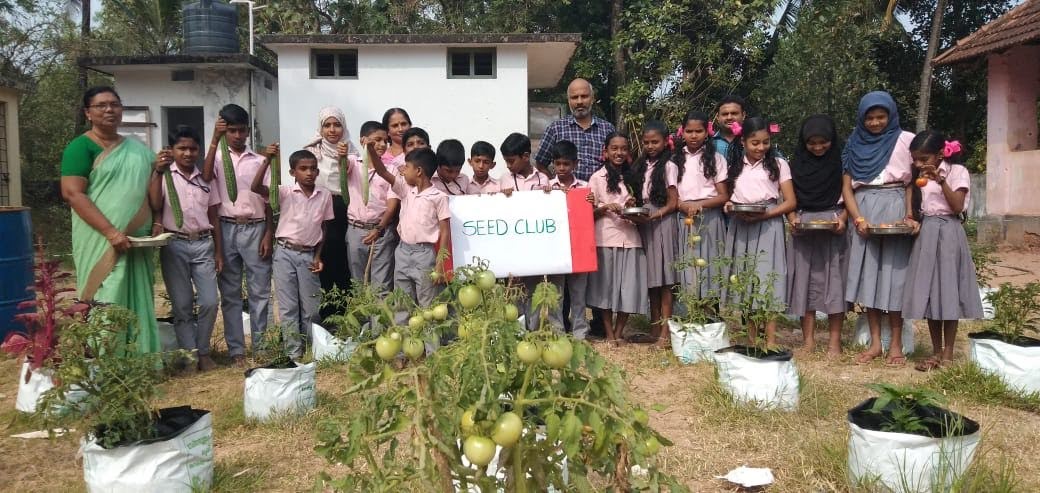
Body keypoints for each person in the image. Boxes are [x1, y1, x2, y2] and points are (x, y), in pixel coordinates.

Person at [61, 86, 160, 354]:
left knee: (137, 295)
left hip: (136, 242)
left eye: (115, 104)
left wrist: (157, 221)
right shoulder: (80, 147)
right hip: (100, 239)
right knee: (106, 295)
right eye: (101, 105)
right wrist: (111, 232)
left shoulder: (138, 150)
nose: (109, 110)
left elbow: (153, 191)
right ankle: (103, 359)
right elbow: (72, 193)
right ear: (88, 113)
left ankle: (139, 359)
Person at [842, 91, 917, 366]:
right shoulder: (853, 143)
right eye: (869, 118)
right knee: (869, 278)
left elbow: (912, 184)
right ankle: (875, 343)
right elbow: (847, 188)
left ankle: (895, 344)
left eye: (880, 116)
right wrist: (858, 219)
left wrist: (909, 215)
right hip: (864, 210)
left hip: (896, 207)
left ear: (891, 115)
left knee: (895, 279)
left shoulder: (906, 140)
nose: (875, 122)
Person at [902, 131, 983, 371]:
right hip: (927, 232)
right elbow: (915, 204)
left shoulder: (958, 172)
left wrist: (940, 180)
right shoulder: (918, 177)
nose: (919, 164)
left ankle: (948, 354)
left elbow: (957, 206)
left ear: (939, 155)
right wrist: (911, 218)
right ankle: (935, 351)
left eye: (923, 158)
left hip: (949, 232)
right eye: (915, 159)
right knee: (930, 293)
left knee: (948, 291)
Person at [202, 103, 273, 366]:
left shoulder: (259, 160)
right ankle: (236, 350)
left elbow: (269, 200)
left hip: (256, 227)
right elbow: (206, 177)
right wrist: (214, 139)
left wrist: (268, 233)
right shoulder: (218, 158)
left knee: (260, 291)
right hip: (226, 227)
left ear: (248, 131)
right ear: (225, 131)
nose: (237, 135)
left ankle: (261, 346)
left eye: (241, 130)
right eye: (231, 131)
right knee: (230, 293)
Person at [148, 126, 223, 371]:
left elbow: (214, 216)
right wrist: (157, 172)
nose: (188, 153)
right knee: (182, 305)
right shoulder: (165, 176)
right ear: (172, 150)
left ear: (198, 150)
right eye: (182, 148)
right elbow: (155, 203)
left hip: (203, 243)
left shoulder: (205, 179)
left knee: (210, 301)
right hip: (175, 244)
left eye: (192, 148)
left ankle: (203, 351)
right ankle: (190, 356)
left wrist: (218, 251)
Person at [251, 148, 335, 360]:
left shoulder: (324, 195)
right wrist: (268, 160)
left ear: (318, 172)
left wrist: (318, 255)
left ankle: (312, 347)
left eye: (313, 169)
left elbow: (324, 227)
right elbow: (256, 187)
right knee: (288, 306)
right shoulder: (284, 192)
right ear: (292, 172)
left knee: (311, 306)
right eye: (303, 169)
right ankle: (293, 351)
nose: (309, 173)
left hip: (308, 255)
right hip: (285, 253)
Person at [723, 117, 797, 347]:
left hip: (768, 226)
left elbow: (790, 201)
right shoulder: (734, 166)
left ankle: (771, 340)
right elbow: (729, 199)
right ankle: (752, 338)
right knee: (746, 280)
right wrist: (730, 206)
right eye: (755, 143)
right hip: (741, 226)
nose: (761, 147)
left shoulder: (778, 164)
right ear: (743, 141)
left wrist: (765, 215)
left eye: (765, 142)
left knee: (768, 279)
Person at [786, 115, 848, 357]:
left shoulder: (841, 163)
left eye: (824, 142)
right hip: (804, 225)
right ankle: (808, 341)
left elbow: (850, 194)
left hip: (834, 223)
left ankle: (834, 342)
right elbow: (788, 196)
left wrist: (843, 219)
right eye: (812, 143)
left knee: (835, 283)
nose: (818, 147)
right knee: (804, 283)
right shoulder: (796, 165)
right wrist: (792, 219)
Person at [366, 143, 450, 316]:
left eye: (407, 167)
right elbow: (382, 171)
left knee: (427, 304)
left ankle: (429, 335)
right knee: (402, 303)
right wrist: (371, 150)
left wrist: (440, 263)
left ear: (418, 171)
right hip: (403, 251)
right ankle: (403, 333)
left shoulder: (439, 197)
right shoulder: (405, 189)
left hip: (424, 255)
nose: (403, 171)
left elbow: (445, 232)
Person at [588, 132, 649, 345]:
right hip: (605, 238)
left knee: (628, 288)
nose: (619, 153)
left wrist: (632, 205)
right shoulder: (597, 178)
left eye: (623, 148)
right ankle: (609, 334)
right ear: (605, 152)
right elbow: (588, 212)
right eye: (614, 148)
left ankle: (620, 331)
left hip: (630, 239)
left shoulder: (635, 177)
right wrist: (605, 208)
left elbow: (641, 210)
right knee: (605, 288)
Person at [500, 132, 563, 330]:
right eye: (506, 161)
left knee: (534, 289)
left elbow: (550, 208)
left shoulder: (543, 178)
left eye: (511, 161)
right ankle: (518, 331)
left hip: (535, 245)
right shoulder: (504, 180)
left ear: (526, 156)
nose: (508, 165)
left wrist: (549, 195)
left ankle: (534, 329)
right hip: (513, 245)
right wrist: (501, 196)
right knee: (516, 290)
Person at [627, 121, 679, 348]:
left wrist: (655, 216)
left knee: (665, 280)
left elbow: (673, 202)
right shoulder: (641, 165)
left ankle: (665, 334)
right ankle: (655, 329)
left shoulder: (669, 166)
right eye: (646, 142)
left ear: (666, 141)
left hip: (662, 222)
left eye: (655, 142)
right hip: (645, 222)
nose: (650, 146)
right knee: (652, 280)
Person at [304, 107, 357, 319]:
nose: (332, 130)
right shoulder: (312, 152)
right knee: (321, 259)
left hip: (344, 208)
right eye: (327, 125)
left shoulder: (352, 152)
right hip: (318, 209)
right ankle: (324, 315)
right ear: (321, 128)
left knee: (343, 261)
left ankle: (343, 315)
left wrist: (344, 159)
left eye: (337, 125)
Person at [673, 111, 729, 300]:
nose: (694, 135)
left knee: (711, 269)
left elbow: (723, 195)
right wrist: (682, 205)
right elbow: (671, 194)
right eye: (689, 131)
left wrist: (700, 205)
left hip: (710, 218)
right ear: (682, 132)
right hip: (685, 218)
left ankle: (711, 314)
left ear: (707, 132)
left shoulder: (716, 158)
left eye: (699, 131)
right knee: (689, 269)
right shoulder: (675, 159)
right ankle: (691, 314)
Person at [341, 121, 400, 290]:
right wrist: (341, 155)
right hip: (356, 229)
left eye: (385, 141)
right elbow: (342, 167)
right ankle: (361, 308)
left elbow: (392, 204)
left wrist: (379, 228)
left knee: (381, 285)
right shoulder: (353, 162)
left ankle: (379, 309)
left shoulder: (391, 169)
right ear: (363, 140)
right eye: (377, 140)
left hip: (381, 231)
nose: (382, 144)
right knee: (358, 282)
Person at [535, 78, 617, 182]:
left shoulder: (608, 129)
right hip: (567, 191)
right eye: (574, 97)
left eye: (584, 96)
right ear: (569, 100)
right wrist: (556, 184)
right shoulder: (556, 129)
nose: (579, 102)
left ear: (592, 99)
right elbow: (540, 164)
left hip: (600, 191)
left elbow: (616, 163)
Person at [548, 140, 590, 340]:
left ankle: (580, 332)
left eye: (566, 164)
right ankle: (557, 332)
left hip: (579, 246)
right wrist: (545, 196)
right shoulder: (547, 188)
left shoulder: (585, 187)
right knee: (556, 293)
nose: (562, 168)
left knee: (578, 293)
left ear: (575, 164)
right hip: (555, 247)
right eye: (558, 164)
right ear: (553, 164)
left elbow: (590, 214)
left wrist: (591, 202)